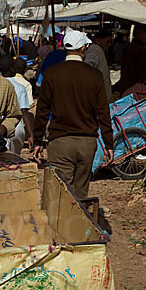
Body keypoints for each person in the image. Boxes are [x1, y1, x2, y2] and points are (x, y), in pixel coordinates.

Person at [32, 30, 113, 199]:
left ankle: (62, 225)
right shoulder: (95, 75)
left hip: (59, 143)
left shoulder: (52, 74)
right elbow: (103, 112)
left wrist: (38, 140)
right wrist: (108, 143)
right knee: (81, 193)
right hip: (86, 143)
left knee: (61, 194)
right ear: (83, 48)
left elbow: (42, 110)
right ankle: (80, 224)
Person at [0, 55, 34, 154]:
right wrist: (31, 134)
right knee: (15, 159)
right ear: (13, 68)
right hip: (17, 128)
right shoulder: (20, 87)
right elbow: (24, 112)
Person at [116, 25, 146, 97]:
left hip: (126, 88)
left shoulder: (128, 47)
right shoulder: (139, 49)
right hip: (135, 91)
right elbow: (143, 72)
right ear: (140, 34)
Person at [85, 29, 113, 101]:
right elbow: (88, 68)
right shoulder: (94, 49)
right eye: (107, 41)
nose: (109, 44)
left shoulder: (99, 50)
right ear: (100, 39)